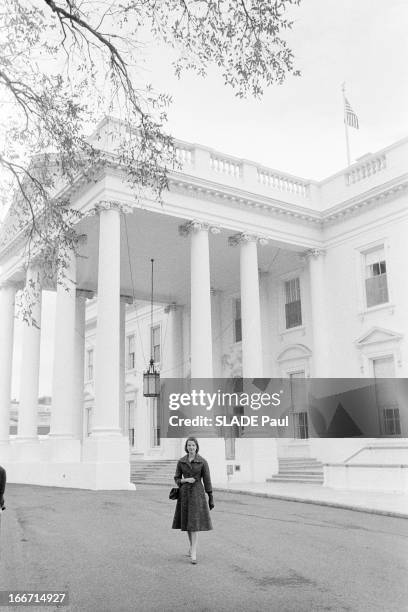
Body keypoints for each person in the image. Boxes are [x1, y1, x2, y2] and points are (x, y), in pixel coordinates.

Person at [172, 437, 214, 564]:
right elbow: (177, 478)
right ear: (186, 447)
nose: (191, 448)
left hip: (197, 494)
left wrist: (210, 496)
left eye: (193, 445)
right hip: (184, 495)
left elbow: (207, 480)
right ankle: (191, 547)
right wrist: (185, 480)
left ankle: (194, 551)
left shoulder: (202, 462)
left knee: (194, 523)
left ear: (197, 447)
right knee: (187, 523)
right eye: (189, 445)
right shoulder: (181, 461)